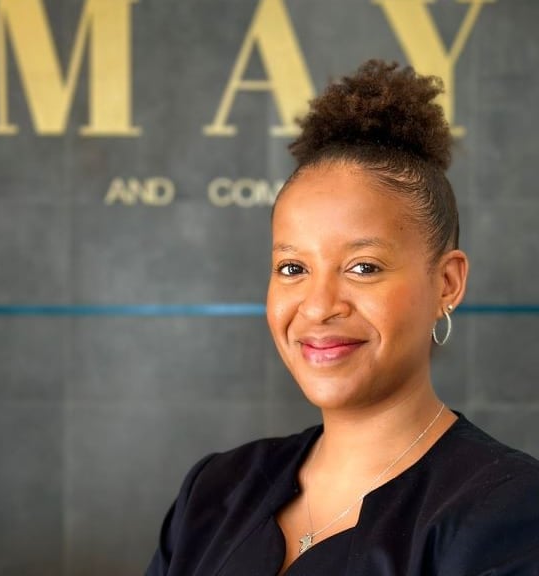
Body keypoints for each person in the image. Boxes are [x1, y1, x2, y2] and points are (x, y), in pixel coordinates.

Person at [145, 60, 539, 575]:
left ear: (447, 282)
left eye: (363, 267)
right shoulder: (216, 491)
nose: (318, 305)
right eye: (292, 268)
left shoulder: (508, 511)